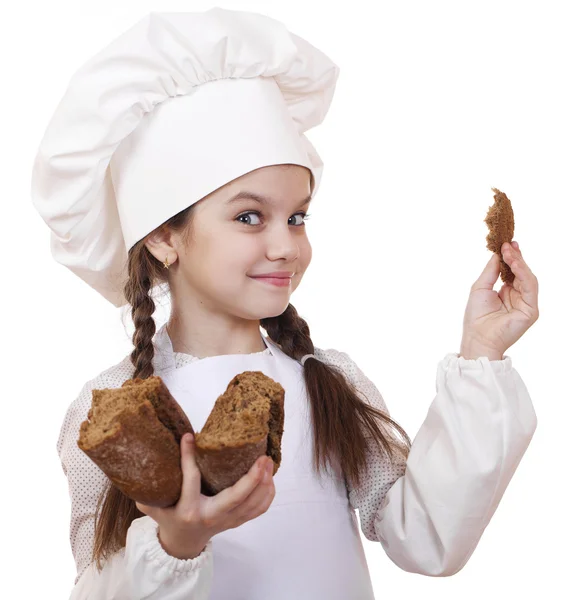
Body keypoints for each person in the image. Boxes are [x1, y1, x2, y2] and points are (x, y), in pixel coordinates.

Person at [31, 9, 540, 600]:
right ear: (163, 237)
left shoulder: (328, 381)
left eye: (296, 216)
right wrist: (175, 544)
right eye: (250, 217)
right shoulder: (113, 415)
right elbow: (94, 587)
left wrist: (481, 354)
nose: (285, 245)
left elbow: (426, 537)